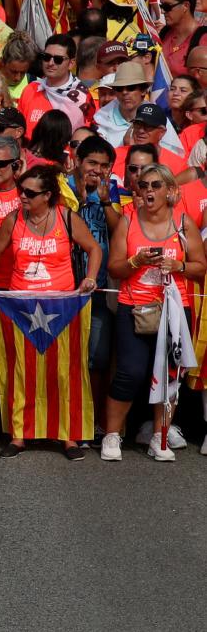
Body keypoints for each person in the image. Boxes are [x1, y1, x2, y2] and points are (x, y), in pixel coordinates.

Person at [0, 166, 102, 459]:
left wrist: (91, 277)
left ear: (47, 195)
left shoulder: (66, 218)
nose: (23, 196)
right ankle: (19, 435)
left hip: (62, 307)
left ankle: (68, 437)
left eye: (30, 193)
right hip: (22, 306)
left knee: (63, 372)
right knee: (22, 370)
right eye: (22, 190)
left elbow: (94, 249)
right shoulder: (14, 218)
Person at [104, 164, 206, 461]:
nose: (148, 190)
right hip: (134, 306)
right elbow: (114, 268)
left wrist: (178, 266)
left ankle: (160, 436)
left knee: (170, 373)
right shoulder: (128, 221)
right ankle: (112, 435)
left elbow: (200, 267)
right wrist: (135, 262)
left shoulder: (183, 223)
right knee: (131, 372)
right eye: (144, 185)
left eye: (156, 185)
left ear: (170, 191)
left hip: (174, 309)